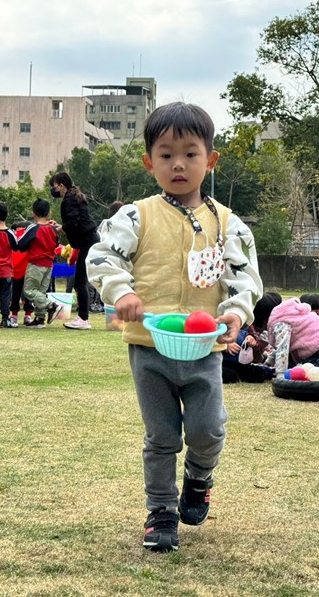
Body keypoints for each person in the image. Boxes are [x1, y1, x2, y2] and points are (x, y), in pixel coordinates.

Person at [86, 102, 263, 552]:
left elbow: (245, 280)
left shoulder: (229, 223)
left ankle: (199, 479)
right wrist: (121, 292)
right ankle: (161, 511)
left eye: (190, 153)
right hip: (150, 348)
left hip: (205, 349)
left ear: (211, 160)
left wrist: (236, 313)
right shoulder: (135, 216)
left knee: (209, 428)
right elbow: (102, 257)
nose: (178, 164)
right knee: (161, 436)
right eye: (166, 155)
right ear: (149, 163)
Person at [49, 171, 100, 330]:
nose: (53, 190)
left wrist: (59, 228)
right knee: (80, 279)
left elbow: (73, 223)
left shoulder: (69, 200)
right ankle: (83, 317)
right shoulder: (75, 196)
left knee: (80, 280)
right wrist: (62, 226)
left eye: (54, 186)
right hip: (89, 240)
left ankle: (83, 318)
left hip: (87, 242)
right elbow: (75, 221)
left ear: (61, 186)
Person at [266, 297, 319, 377]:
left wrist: (280, 375)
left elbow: (282, 349)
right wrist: (268, 363)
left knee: (298, 371)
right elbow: (279, 347)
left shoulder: (280, 324)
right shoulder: (290, 317)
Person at [17, 199, 61, 329]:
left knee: (30, 290)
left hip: (36, 263)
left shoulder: (33, 227)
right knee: (41, 291)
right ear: (48, 213)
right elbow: (56, 243)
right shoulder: (53, 229)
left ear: (33, 213)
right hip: (49, 264)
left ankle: (51, 305)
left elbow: (21, 244)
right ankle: (39, 318)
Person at [222, 292, 282, 383]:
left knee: (255, 373)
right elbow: (215, 336)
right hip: (224, 361)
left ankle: (268, 371)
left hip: (241, 364)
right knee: (229, 374)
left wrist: (251, 338)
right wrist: (226, 344)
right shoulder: (232, 321)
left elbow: (255, 354)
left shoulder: (251, 329)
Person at [9, 220, 34, 327]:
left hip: (21, 271)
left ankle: (17, 315)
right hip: (23, 271)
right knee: (23, 294)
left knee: (19, 294)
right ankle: (25, 315)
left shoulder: (18, 239)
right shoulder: (29, 239)